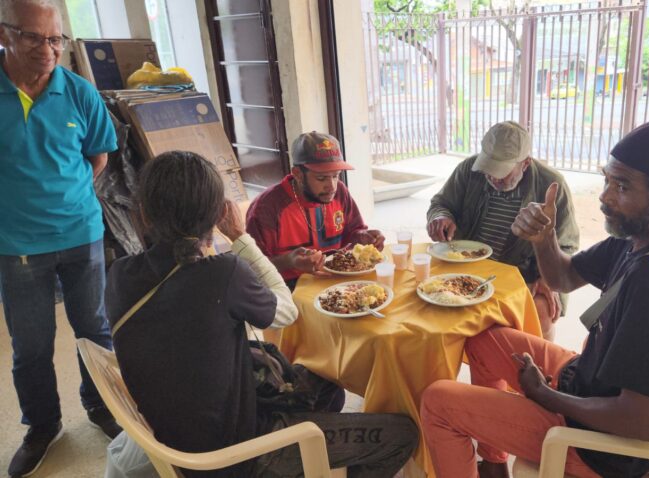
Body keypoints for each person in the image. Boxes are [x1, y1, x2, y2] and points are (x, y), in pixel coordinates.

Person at [420, 120, 649, 478]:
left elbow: (638, 424)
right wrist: (544, 237)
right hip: (590, 380)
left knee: (437, 402)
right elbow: (563, 277)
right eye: (607, 180)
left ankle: (490, 442)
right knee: (482, 339)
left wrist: (545, 396)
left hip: (599, 445)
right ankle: (494, 462)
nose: (606, 197)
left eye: (621, 186)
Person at [106, 151, 418, 478]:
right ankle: (297, 455)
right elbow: (287, 310)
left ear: (143, 212)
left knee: (328, 384)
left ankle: (313, 459)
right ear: (217, 214)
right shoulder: (223, 272)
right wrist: (240, 237)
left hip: (177, 436)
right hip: (235, 453)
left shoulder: (119, 274)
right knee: (403, 435)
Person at [0, 1, 121, 476]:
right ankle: (42, 426)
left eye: (55, 39)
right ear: (6, 34)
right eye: (34, 37)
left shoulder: (79, 92)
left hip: (81, 234)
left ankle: (102, 405)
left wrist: (66, 201)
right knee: (30, 344)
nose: (48, 50)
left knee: (95, 328)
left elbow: (99, 157)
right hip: (16, 245)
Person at [427, 121, 579, 341]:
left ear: (525, 163)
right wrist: (440, 216)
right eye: (488, 168)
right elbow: (440, 203)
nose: (493, 178)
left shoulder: (551, 183)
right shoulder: (469, 170)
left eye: (502, 172)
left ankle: (539, 371)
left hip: (525, 273)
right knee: (429, 298)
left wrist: (547, 278)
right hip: (470, 266)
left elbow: (568, 244)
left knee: (542, 312)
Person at [247, 132, 385, 290]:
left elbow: (354, 231)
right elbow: (253, 268)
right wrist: (289, 261)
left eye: (335, 176)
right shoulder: (267, 207)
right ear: (298, 174)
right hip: (288, 287)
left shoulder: (339, 191)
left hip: (339, 278)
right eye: (321, 178)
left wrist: (363, 237)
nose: (331, 186)